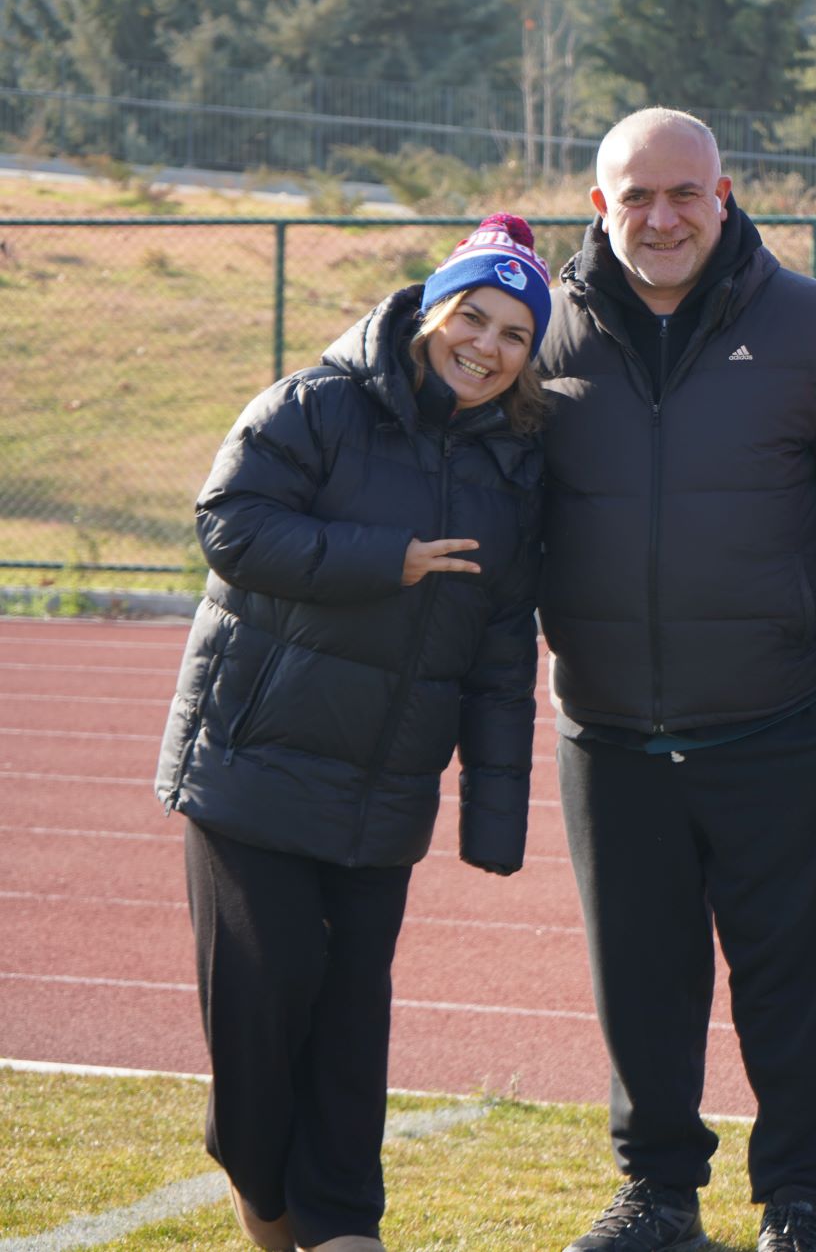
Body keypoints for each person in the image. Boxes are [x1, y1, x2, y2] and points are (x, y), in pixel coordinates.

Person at [536, 108, 816, 1252]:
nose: (660, 217)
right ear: (600, 206)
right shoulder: (546, 332)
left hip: (781, 727)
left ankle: (797, 1202)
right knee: (639, 985)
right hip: (610, 733)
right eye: (636, 196)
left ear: (723, 196)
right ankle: (658, 1194)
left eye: (683, 193)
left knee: (794, 989)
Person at [154, 213, 550, 1252]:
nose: (488, 346)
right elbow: (230, 523)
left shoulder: (515, 468)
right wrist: (390, 559)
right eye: (475, 316)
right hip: (253, 766)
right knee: (263, 1014)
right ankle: (262, 1187)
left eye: (515, 334)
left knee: (348, 1031)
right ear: (432, 309)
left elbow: (502, 654)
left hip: (383, 794)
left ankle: (343, 1228)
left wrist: (494, 816)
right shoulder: (318, 404)